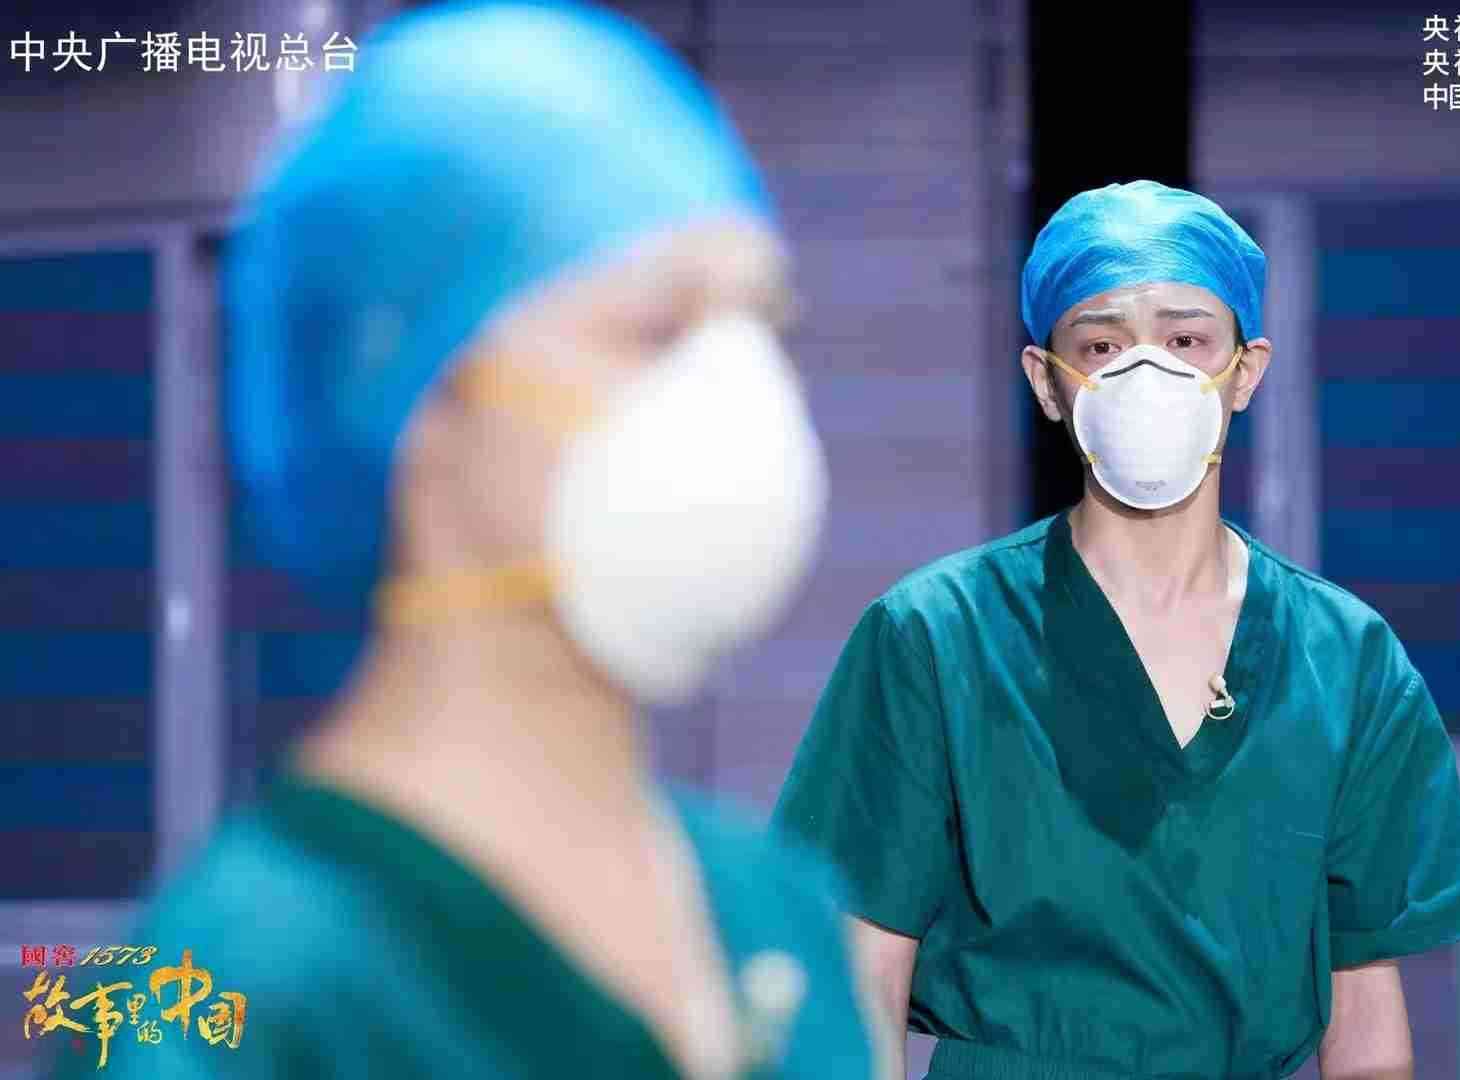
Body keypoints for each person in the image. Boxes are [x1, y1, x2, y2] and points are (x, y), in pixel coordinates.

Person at [45, 4, 888, 1078]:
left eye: (761, 323)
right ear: (412, 394)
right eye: (658, 330)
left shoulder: (783, 919)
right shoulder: (224, 996)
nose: (738, 396)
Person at [771, 180, 1460, 1080]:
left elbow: (1365, 1021)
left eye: (1186, 340)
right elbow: (859, 978)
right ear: (1047, 381)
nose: (1145, 375)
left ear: (1246, 371)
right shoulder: (936, 638)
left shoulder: (1343, 659)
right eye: (1102, 345)